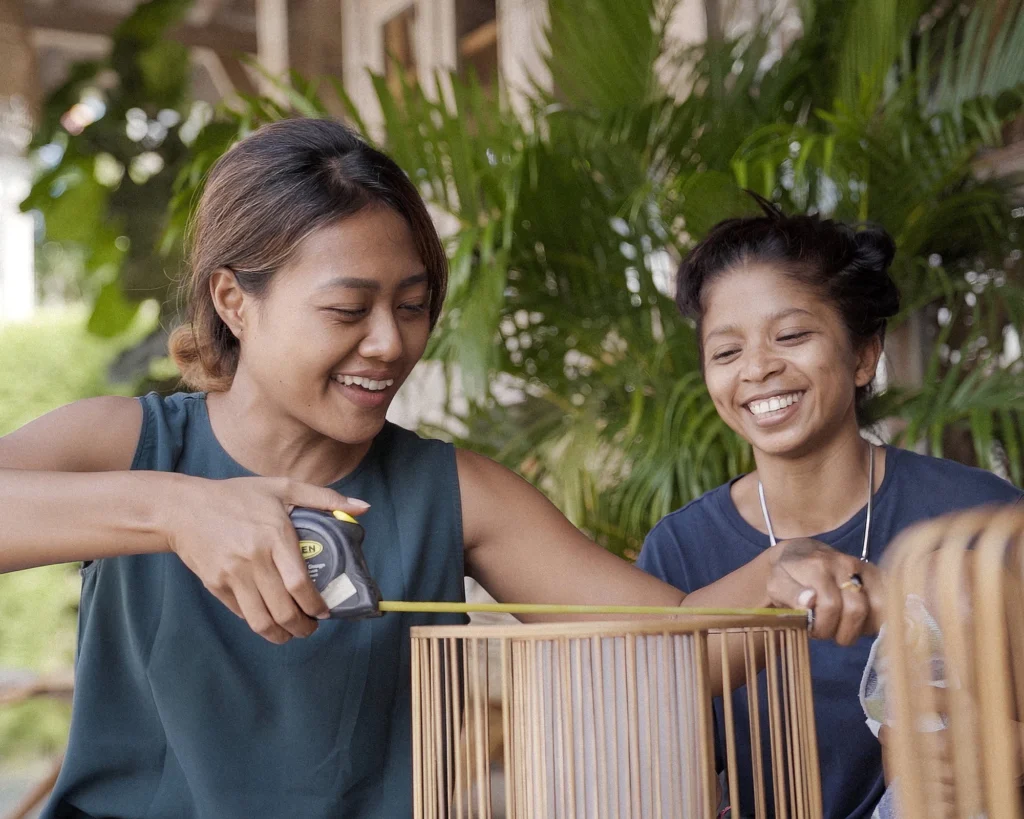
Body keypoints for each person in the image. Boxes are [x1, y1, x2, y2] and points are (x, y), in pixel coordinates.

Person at [0, 121, 872, 819]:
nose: (389, 344)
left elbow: (670, 642)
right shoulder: (126, 442)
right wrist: (178, 512)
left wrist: (776, 572)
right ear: (236, 300)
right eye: (348, 308)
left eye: (413, 307)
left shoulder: (456, 491)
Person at [636, 196, 1024, 819]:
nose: (758, 368)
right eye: (726, 352)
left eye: (791, 336)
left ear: (865, 355)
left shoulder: (982, 517)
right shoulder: (680, 552)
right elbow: (655, 759)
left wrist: (1007, 748)